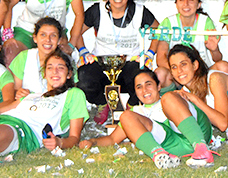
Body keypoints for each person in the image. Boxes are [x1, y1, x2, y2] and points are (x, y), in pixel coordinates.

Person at [79, 69, 215, 168]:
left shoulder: (173, 97)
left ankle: (201, 149)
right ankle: (161, 157)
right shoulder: (137, 112)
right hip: (171, 147)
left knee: (168, 98)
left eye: (148, 84)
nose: (144, 90)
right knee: (126, 116)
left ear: (159, 86)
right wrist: (92, 141)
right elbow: (113, 139)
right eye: (139, 87)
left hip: (196, 135)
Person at [77, 0, 160, 107]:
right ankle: (104, 106)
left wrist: (150, 54)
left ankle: (131, 109)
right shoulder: (97, 10)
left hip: (130, 63)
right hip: (101, 63)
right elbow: (76, 32)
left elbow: (159, 32)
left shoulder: (140, 11)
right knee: (84, 79)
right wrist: (83, 51)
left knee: (142, 79)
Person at [153, 0, 222, 68]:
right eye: (181, 0)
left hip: (200, 71)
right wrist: (178, 71)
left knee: (223, 66)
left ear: (198, 5)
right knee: (160, 73)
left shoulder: (205, 22)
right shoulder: (168, 22)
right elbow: (161, 59)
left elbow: (218, 59)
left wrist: (214, 50)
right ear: (176, 4)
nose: (186, 3)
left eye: (191, 0)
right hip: (177, 73)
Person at [9, 17, 69, 96]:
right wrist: (18, 93)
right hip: (29, 105)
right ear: (35, 38)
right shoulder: (24, 57)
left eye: (53, 35)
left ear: (59, 40)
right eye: (43, 35)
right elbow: (14, 90)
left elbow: (71, 92)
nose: (48, 39)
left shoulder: (66, 60)